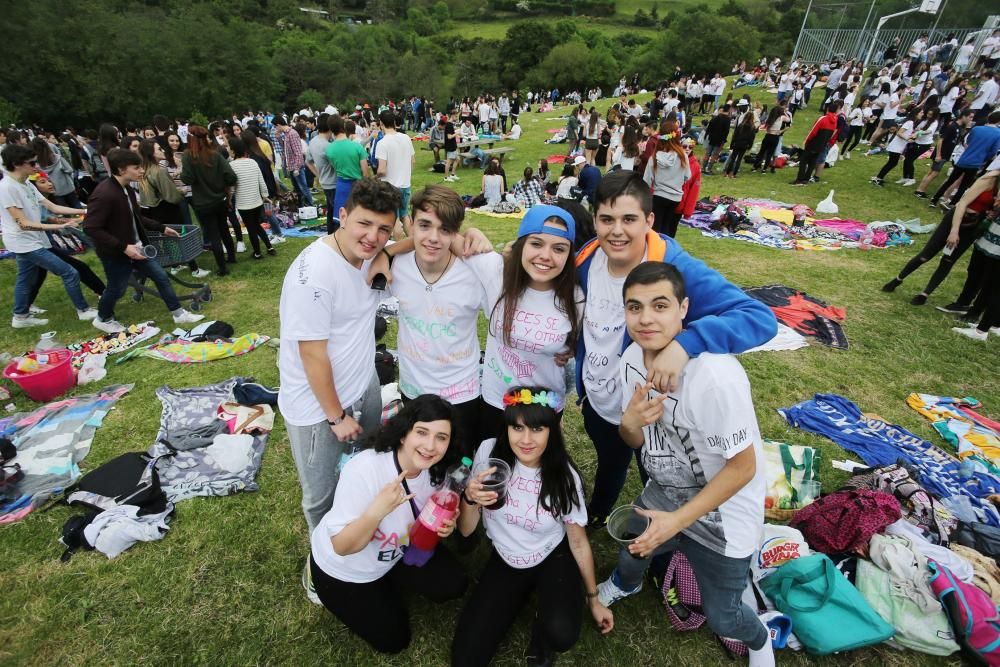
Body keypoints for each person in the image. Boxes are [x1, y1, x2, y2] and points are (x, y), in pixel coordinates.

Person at [574, 170, 776, 526]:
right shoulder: (586, 258)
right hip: (599, 401)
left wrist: (686, 344)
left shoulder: (675, 269)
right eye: (606, 219)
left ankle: (667, 541)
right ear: (595, 220)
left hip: (655, 413)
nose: (617, 231)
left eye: (629, 219)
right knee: (610, 460)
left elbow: (758, 318)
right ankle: (600, 510)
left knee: (662, 478)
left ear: (649, 220)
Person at [597, 261, 773, 667]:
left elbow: (742, 468)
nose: (645, 319)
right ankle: (626, 585)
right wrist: (629, 423)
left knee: (722, 614)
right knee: (631, 549)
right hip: (665, 488)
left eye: (660, 305)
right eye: (634, 307)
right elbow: (634, 439)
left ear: (684, 309)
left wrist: (676, 523)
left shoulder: (715, 377)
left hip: (725, 516)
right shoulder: (630, 360)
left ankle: (760, 640)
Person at [279, 177, 401, 576]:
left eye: (384, 228)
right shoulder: (313, 274)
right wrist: (335, 417)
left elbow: (412, 239)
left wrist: (387, 253)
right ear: (342, 215)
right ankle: (323, 562)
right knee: (321, 494)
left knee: (362, 469)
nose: (373, 237)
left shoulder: (368, 253)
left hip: (362, 385)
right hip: (317, 408)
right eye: (364, 224)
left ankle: (358, 534)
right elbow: (312, 355)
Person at [452, 387, 613, 666]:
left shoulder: (564, 477)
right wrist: (469, 498)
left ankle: (542, 622)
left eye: (537, 428)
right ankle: (520, 594)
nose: (526, 440)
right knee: (466, 659)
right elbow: (466, 531)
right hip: (505, 556)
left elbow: (577, 541)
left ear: (551, 431)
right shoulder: (489, 454)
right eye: (517, 428)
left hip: (551, 553)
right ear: (507, 428)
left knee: (561, 634)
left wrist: (594, 598)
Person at [308, 394, 468, 653]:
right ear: (404, 434)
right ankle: (314, 573)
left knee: (453, 584)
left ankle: (388, 579)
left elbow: (428, 519)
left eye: (441, 437)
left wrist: (445, 528)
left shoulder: (438, 472)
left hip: (397, 551)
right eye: (422, 432)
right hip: (345, 570)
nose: (430, 446)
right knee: (394, 641)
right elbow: (342, 546)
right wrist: (376, 513)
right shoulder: (365, 469)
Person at [462, 205, 581, 440]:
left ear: (569, 255)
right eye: (536, 244)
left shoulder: (577, 297)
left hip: (544, 410)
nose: (545, 256)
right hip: (496, 402)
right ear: (521, 245)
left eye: (559, 249)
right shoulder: (497, 273)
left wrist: (572, 348)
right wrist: (471, 231)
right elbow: (443, 238)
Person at [82, 148, 204, 333]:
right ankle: (103, 318)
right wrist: (123, 247)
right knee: (117, 289)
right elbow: (91, 227)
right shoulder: (105, 194)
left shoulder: (126, 189)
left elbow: (137, 217)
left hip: (139, 248)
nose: (141, 171)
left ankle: (178, 314)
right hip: (116, 253)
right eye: (136, 167)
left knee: (161, 277)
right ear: (122, 169)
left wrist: (162, 227)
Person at [1, 144, 99, 328]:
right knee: (69, 272)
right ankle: (83, 310)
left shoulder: (26, 183)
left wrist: (85, 211)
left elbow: (52, 207)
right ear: (16, 164)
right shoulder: (7, 188)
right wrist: (58, 225)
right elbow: (23, 223)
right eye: (31, 163)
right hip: (24, 242)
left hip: (34, 239)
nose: (36, 166)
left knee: (25, 278)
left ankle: (20, 317)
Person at [884, 168, 998, 306]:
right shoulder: (989, 180)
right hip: (956, 219)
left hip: (974, 225)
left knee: (948, 260)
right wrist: (954, 231)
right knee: (925, 255)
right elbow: (962, 204)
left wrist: (991, 214)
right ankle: (898, 279)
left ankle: (924, 294)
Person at [23, 172, 106, 310]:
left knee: (38, 274)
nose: (49, 184)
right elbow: (53, 219)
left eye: (49, 180)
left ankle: (24, 306)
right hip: (37, 245)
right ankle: (101, 293)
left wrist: (84, 213)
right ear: (34, 186)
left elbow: (55, 215)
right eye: (43, 182)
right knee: (77, 268)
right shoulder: (34, 202)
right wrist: (82, 215)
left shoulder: (43, 201)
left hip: (41, 243)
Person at [180, 125, 238, 276]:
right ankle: (231, 258)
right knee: (223, 228)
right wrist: (220, 184)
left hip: (203, 203)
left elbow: (187, 178)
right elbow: (231, 177)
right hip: (220, 200)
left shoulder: (188, 156)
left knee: (213, 234)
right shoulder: (215, 154)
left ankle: (222, 268)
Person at [930, 110, 1000, 208]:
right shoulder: (998, 134)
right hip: (976, 163)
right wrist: (984, 159)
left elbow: (969, 141)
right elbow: (993, 151)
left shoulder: (976, 129)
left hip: (963, 159)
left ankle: (934, 199)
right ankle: (952, 204)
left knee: (950, 180)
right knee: (963, 186)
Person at [642, 121, 690, 238]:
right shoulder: (683, 156)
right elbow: (687, 176)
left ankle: (656, 252)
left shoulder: (654, 157)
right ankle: (666, 251)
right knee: (668, 228)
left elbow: (646, 180)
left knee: (656, 228)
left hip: (659, 196)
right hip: (675, 197)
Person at [228, 137, 273, 260]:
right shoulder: (252, 162)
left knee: (251, 228)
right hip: (256, 201)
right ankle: (269, 247)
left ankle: (257, 253)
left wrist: (229, 199)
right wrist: (265, 196)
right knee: (257, 226)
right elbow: (261, 181)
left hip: (244, 204)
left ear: (233, 151)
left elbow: (231, 187)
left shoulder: (232, 165)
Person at [325, 115, 371, 228]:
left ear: (330, 129)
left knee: (342, 218)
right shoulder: (357, 147)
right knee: (360, 217)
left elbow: (335, 167)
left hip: (341, 185)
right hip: (358, 185)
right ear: (343, 127)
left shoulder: (329, 149)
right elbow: (365, 172)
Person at [916, 108, 974, 199]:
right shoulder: (952, 126)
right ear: (963, 116)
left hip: (945, 153)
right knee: (934, 173)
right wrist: (938, 154)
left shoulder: (959, 127)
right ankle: (919, 190)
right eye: (970, 117)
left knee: (932, 172)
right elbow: (940, 140)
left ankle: (921, 190)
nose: (971, 119)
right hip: (941, 153)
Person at [374, 110, 415, 235]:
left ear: (381, 124)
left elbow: (381, 170)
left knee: (395, 219)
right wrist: (406, 175)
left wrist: (374, 177)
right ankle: (413, 246)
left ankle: (400, 251)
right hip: (405, 185)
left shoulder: (382, 143)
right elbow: (413, 161)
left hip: (390, 188)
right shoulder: (406, 138)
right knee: (405, 216)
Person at [792, 100, 840, 186]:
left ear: (828, 109)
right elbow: (831, 134)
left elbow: (813, 131)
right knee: (812, 162)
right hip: (822, 144)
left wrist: (806, 141)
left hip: (813, 143)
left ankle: (800, 179)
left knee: (803, 160)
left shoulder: (823, 118)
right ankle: (806, 179)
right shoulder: (835, 121)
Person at [871, 106, 920, 187]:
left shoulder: (911, 122)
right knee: (892, 163)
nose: (922, 114)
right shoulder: (910, 122)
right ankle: (878, 178)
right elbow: (899, 133)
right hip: (896, 146)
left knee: (892, 163)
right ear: (915, 114)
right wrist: (908, 138)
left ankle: (878, 177)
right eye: (921, 113)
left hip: (897, 146)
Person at [305, 114, 339, 234]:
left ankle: (330, 236)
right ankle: (337, 239)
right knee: (338, 215)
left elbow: (308, 162)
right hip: (334, 183)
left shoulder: (313, 141)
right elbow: (337, 166)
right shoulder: (328, 146)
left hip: (325, 182)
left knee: (330, 212)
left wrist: (319, 175)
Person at [751, 105, 791, 173]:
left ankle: (755, 167)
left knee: (762, 152)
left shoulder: (770, 118)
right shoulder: (781, 118)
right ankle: (764, 169)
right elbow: (789, 120)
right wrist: (785, 112)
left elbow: (767, 127)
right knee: (770, 154)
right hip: (775, 137)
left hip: (768, 136)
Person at [723, 110, 757, 178]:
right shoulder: (752, 127)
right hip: (744, 145)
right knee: (739, 159)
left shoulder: (741, 125)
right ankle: (734, 174)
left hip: (737, 143)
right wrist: (749, 146)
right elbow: (752, 138)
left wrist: (732, 144)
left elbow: (735, 135)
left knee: (733, 158)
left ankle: (727, 173)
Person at [701, 104, 731, 175]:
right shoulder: (727, 119)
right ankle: (708, 169)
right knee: (714, 155)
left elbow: (709, 127)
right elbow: (726, 131)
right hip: (719, 140)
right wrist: (724, 140)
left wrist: (707, 135)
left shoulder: (716, 117)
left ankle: (703, 168)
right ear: (729, 110)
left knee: (707, 153)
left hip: (711, 138)